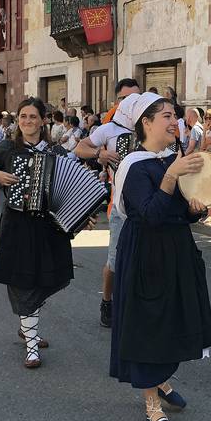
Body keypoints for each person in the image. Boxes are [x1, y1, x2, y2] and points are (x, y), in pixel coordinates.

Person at [110, 92, 211, 421]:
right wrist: (171, 176)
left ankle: (162, 381)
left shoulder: (173, 157)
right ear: (146, 123)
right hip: (145, 253)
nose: (175, 121)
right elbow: (150, 215)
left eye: (175, 115)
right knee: (148, 324)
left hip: (176, 249)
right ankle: (152, 405)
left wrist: (195, 209)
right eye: (167, 115)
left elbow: (178, 212)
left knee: (170, 321)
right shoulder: (134, 166)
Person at [0, 97, 96, 368]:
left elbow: (72, 192)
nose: (27, 121)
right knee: (23, 282)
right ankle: (31, 345)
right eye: (23, 116)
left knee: (46, 279)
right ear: (18, 121)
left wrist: (81, 217)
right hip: (17, 225)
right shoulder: (7, 148)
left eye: (32, 116)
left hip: (49, 228)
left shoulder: (56, 152)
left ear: (43, 120)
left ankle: (28, 325)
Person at [74, 84, 141, 328]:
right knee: (115, 260)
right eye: (124, 98)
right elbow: (80, 147)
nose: (128, 102)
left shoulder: (149, 126)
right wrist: (99, 155)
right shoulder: (109, 128)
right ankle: (107, 300)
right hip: (119, 205)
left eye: (134, 97)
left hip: (146, 206)